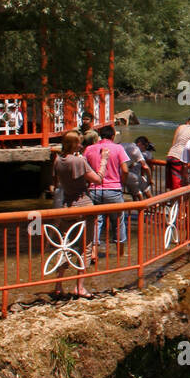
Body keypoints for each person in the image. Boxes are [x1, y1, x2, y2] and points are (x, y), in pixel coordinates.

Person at [51, 131, 102, 297]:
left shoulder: (58, 160)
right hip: (83, 206)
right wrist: (105, 162)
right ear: (74, 144)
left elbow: (56, 183)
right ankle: (79, 286)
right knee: (85, 247)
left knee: (65, 245)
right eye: (79, 143)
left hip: (67, 206)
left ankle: (58, 284)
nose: (81, 145)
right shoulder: (79, 160)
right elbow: (97, 179)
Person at [84, 123, 129, 257]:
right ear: (113, 135)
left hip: (94, 189)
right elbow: (125, 170)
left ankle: (93, 253)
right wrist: (122, 182)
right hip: (114, 189)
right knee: (118, 222)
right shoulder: (118, 148)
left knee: (96, 221)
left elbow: (84, 168)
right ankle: (120, 254)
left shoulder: (89, 149)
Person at [166, 115, 190, 190]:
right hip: (180, 157)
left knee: (172, 184)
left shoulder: (180, 127)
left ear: (189, 121)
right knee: (179, 184)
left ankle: (172, 200)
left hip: (170, 155)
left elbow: (174, 143)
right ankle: (179, 201)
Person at [120, 135, 153, 201]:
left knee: (135, 190)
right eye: (145, 147)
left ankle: (140, 208)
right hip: (124, 173)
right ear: (140, 144)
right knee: (144, 185)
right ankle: (151, 205)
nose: (145, 150)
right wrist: (150, 179)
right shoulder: (135, 149)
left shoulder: (125, 145)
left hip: (116, 173)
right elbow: (145, 167)